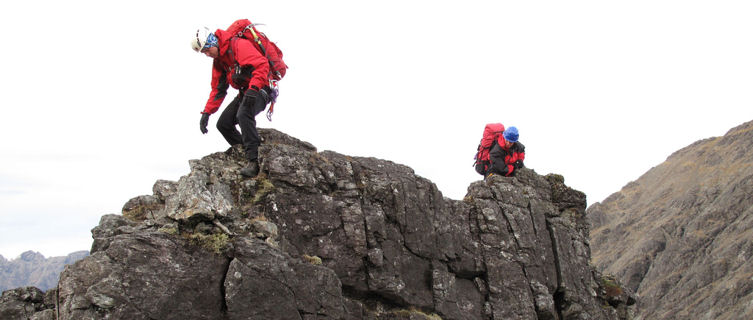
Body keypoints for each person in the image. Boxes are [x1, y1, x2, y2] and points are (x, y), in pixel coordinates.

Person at [191, 26, 271, 177]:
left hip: (262, 89)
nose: (207, 55)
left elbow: (262, 65)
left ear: (212, 42)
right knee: (223, 124)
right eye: (204, 53)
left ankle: (254, 161)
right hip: (246, 91)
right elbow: (218, 90)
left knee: (244, 114)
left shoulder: (238, 45)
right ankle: (247, 152)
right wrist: (207, 112)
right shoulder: (220, 61)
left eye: (207, 50)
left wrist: (253, 89)